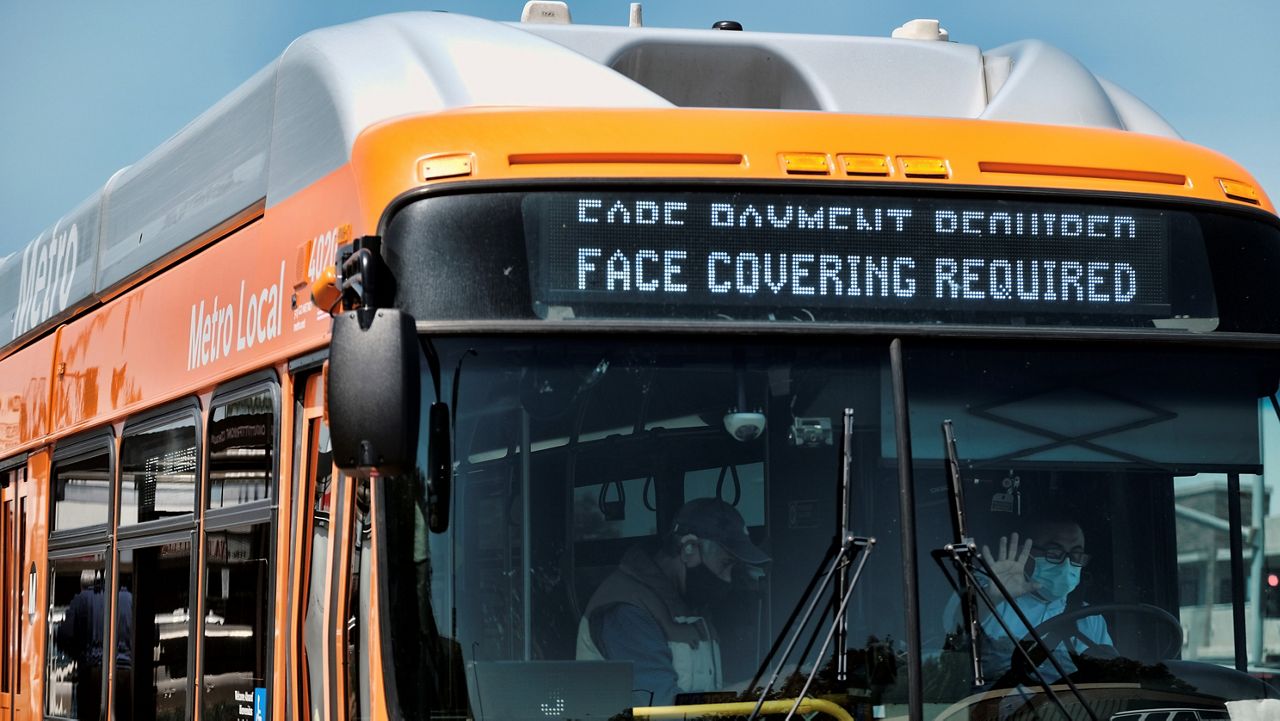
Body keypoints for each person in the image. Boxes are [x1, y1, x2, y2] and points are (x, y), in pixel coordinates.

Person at [576, 498, 769, 706]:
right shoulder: (628, 610)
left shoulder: (689, 604)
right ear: (688, 548)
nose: (728, 578)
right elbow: (661, 709)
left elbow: (704, 693)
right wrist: (763, 691)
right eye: (725, 564)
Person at [947, 515, 1113, 685]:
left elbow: (1110, 677)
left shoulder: (1089, 617)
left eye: (1076, 555)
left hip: (1070, 709)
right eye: (1054, 553)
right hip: (991, 707)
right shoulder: (986, 589)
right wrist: (992, 597)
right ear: (1023, 552)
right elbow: (952, 637)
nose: (1067, 564)